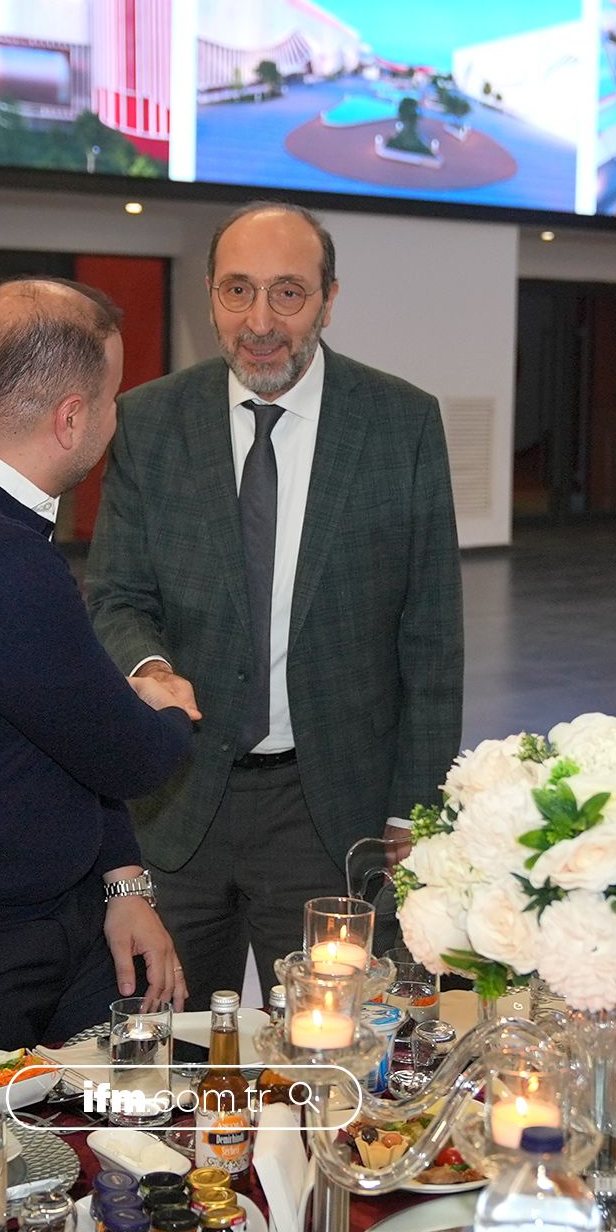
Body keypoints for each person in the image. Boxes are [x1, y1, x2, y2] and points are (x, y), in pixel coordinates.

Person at [86, 201, 464, 1006]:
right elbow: (116, 595)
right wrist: (148, 667)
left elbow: (432, 639)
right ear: (211, 297)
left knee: (327, 1049)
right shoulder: (150, 421)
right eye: (238, 290)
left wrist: (414, 812)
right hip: (176, 804)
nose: (259, 322)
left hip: (329, 814)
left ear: (329, 299)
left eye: (288, 293)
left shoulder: (401, 423)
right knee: (172, 1051)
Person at [0, 278, 199, 1046]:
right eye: (113, 399)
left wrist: (122, 880)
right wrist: (163, 702)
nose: (116, 419)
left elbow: (47, 720)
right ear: (70, 418)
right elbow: (128, 756)